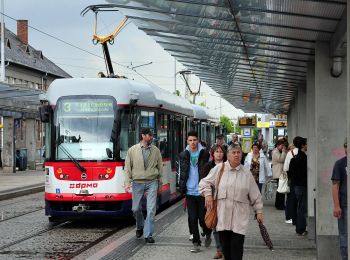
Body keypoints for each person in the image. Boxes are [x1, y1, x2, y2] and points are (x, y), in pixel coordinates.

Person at [199, 144, 263, 260]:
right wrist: (208, 195)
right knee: (226, 250)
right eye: (233, 152)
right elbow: (204, 183)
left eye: (238, 152)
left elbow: (255, 194)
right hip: (223, 218)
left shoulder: (246, 173)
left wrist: (259, 211)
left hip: (239, 219)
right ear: (228, 155)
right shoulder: (219, 169)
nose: (236, 155)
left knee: (237, 248)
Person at [124, 128, 163, 244]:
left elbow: (160, 167)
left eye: (152, 135)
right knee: (135, 209)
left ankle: (148, 234)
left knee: (151, 209)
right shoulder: (132, 150)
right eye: (149, 135)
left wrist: (160, 182)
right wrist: (127, 182)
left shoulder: (156, 150)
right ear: (143, 136)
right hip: (137, 182)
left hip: (152, 181)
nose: (151, 138)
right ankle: (140, 226)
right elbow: (127, 168)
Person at [179, 131, 211, 253]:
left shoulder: (205, 154)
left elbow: (209, 171)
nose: (192, 142)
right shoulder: (183, 155)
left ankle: (208, 232)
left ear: (198, 141)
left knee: (202, 219)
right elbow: (181, 172)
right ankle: (196, 243)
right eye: (190, 140)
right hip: (190, 192)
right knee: (192, 218)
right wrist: (181, 187)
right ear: (187, 141)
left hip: (202, 192)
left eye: (194, 140)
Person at [200, 144, 225, 259]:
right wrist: (208, 196)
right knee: (214, 223)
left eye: (221, 151)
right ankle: (219, 249)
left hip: (226, 199)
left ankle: (225, 248)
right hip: (213, 200)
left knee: (225, 225)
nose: (219, 153)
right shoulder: (208, 166)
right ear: (213, 154)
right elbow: (204, 183)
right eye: (217, 152)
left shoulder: (228, 166)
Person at [331, 138, 347, 260]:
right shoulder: (340, 164)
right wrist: (337, 205)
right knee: (344, 235)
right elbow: (335, 185)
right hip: (345, 204)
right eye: (345, 145)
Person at [288, 136, 307, 235]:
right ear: (303, 145)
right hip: (302, 185)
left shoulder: (295, 157)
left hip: (296, 185)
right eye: (306, 144)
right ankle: (301, 229)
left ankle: (298, 226)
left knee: (299, 206)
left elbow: (290, 172)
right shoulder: (303, 157)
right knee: (302, 208)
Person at [283, 143, 297, 224]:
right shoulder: (302, 153)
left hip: (291, 178)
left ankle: (289, 217)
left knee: (290, 198)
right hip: (300, 180)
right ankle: (295, 217)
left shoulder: (289, 153)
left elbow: (285, 168)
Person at [272, 139, 287, 210]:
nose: (283, 147)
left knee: (280, 189)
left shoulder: (279, 151)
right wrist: (284, 152)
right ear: (278, 145)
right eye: (282, 146)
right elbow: (281, 159)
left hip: (280, 172)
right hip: (278, 173)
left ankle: (279, 204)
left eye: (284, 146)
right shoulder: (275, 152)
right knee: (280, 190)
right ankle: (279, 205)